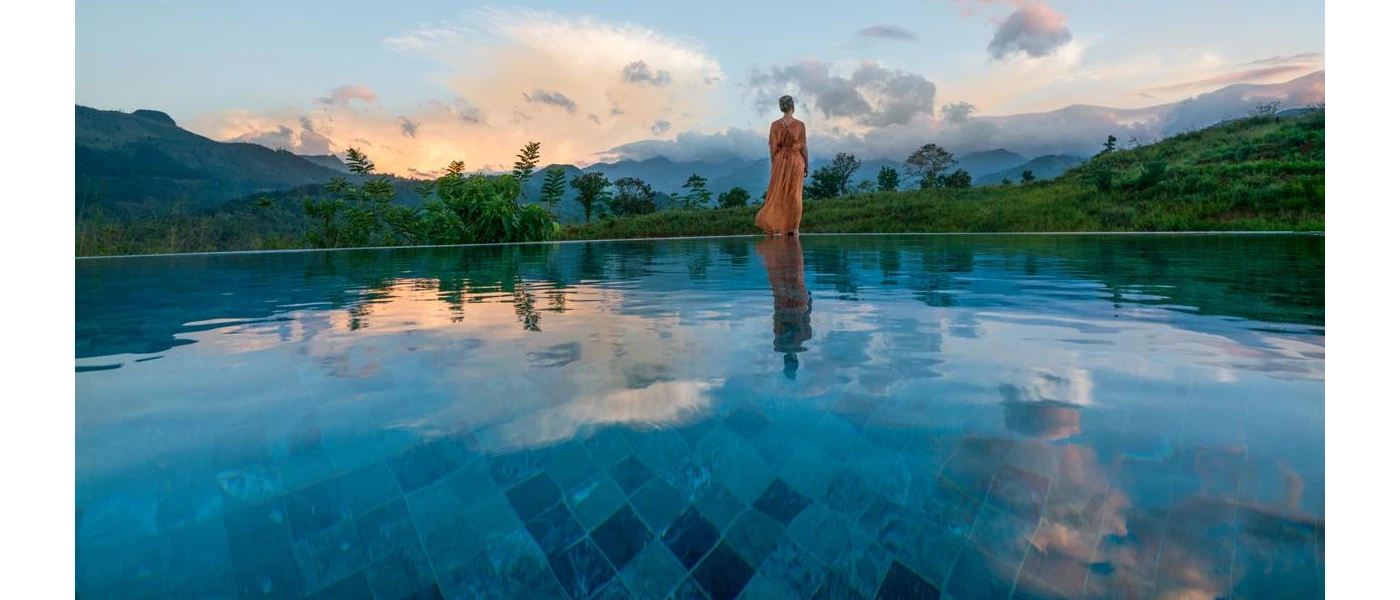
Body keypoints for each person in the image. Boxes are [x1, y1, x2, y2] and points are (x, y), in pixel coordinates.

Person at [757, 235, 811, 379]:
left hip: (791, 305)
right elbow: (804, 317)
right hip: (788, 306)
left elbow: (780, 322)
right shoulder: (781, 343)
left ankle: (783, 248)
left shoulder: (802, 338)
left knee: (787, 275)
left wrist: (809, 301)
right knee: (789, 275)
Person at [755, 95, 807, 236]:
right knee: (795, 195)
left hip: (780, 161)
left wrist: (774, 164)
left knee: (778, 193)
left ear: (781, 107)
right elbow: (803, 147)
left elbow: (772, 148)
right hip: (796, 161)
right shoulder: (800, 125)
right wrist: (806, 165)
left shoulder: (775, 125)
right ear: (793, 106)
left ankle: (776, 225)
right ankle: (794, 228)